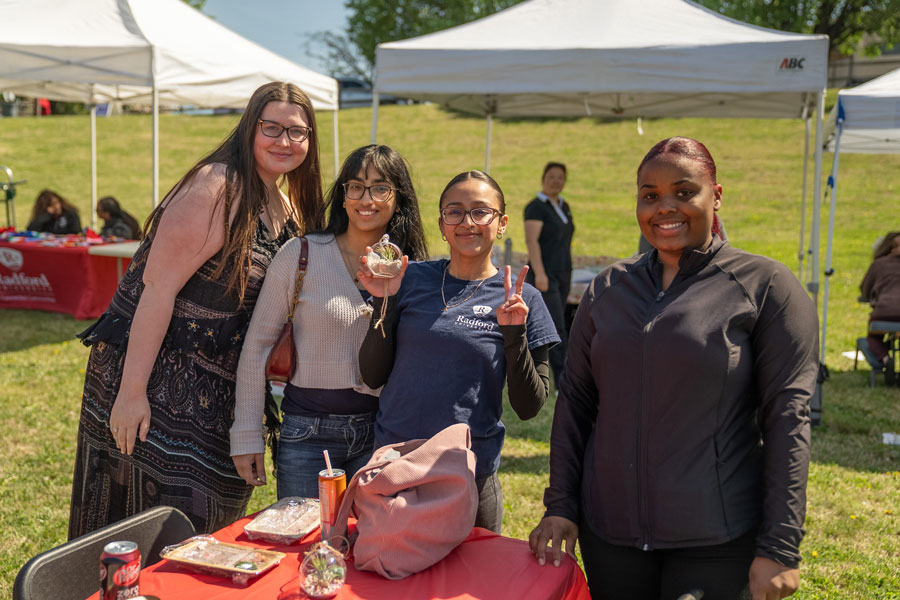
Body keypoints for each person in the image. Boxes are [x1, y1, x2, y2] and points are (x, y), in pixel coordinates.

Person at [529, 137, 819, 600]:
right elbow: (575, 404)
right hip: (610, 536)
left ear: (716, 196)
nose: (665, 207)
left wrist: (780, 547)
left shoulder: (766, 287)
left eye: (684, 192)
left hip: (717, 539)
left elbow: (788, 419)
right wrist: (561, 504)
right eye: (650, 195)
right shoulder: (607, 289)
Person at [68, 81, 325, 538]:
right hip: (158, 380)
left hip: (221, 390)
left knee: (204, 531)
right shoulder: (218, 185)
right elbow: (156, 289)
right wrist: (131, 394)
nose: (284, 141)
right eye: (271, 128)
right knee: (145, 530)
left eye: (297, 132)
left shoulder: (284, 205)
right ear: (249, 129)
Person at [358, 170, 560, 533]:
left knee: (470, 573)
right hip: (395, 468)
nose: (467, 222)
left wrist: (513, 334)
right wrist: (382, 301)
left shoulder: (522, 297)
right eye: (455, 212)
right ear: (441, 224)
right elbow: (372, 375)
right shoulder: (410, 278)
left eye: (480, 211)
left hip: (469, 475)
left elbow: (529, 407)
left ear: (501, 223)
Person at [230, 144, 429, 498]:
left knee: (373, 534)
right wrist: (246, 434)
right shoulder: (300, 255)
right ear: (342, 196)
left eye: (380, 188)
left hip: (384, 436)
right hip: (307, 435)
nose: (366, 199)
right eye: (356, 187)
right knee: (307, 533)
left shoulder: (414, 270)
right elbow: (257, 346)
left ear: (399, 199)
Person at [523, 162, 574, 388]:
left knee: (557, 321)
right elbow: (531, 241)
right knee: (556, 326)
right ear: (543, 178)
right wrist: (540, 273)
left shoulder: (564, 206)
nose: (556, 181)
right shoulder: (536, 207)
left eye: (560, 177)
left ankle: (551, 371)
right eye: (551, 176)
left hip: (564, 272)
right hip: (545, 275)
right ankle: (561, 380)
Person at [860, 231, 900, 386]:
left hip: (883, 311)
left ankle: (885, 359)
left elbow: (864, 290)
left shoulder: (878, 264)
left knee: (873, 338)